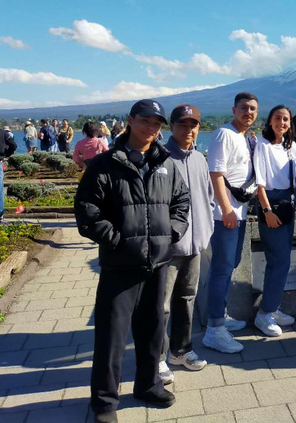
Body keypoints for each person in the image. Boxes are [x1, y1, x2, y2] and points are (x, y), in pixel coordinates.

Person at [75, 99, 190, 423]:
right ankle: (104, 402)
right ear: (130, 120)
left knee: (153, 329)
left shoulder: (166, 163)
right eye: (145, 121)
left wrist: (171, 234)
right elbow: (87, 211)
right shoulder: (105, 164)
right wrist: (117, 241)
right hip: (119, 266)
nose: (151, 128)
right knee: (111, 337)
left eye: (157, 123)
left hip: (157, 264)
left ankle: (148, 384)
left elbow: (182, 203)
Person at [158, 104, 214, 386]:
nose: (188, 130)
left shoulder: (200, 160)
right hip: (168, 248)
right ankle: (157, 358)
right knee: (161, 305)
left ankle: (181, 349)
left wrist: (206, 229)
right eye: (182, 124)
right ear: (171, 126)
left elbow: (208, 196)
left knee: (187, 299)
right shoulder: (160, 159)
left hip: (195, 244)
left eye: (193, 125)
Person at [203, 92, 259, 353]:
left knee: (231, 263)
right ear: (234, 109)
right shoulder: (223, 134)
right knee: (222, 268)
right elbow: (216, 174)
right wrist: (225, 209)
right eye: (244, 108)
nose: (249, 112)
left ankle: (220, 314)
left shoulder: (245, 137)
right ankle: (214, 330)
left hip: (240, 212)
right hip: (224, 213)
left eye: (253, 109)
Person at [253, 105, 296, 336]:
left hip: (288, 205)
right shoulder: (262, 146)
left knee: (281, 260)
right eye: (277, 118)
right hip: (271, 204)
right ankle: (264, 314)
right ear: (270, 121)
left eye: (285, 119)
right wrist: (266, 211)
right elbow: (260, 183)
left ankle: (273, 307)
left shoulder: (290, 145)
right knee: (279, 261)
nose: (281, 123)